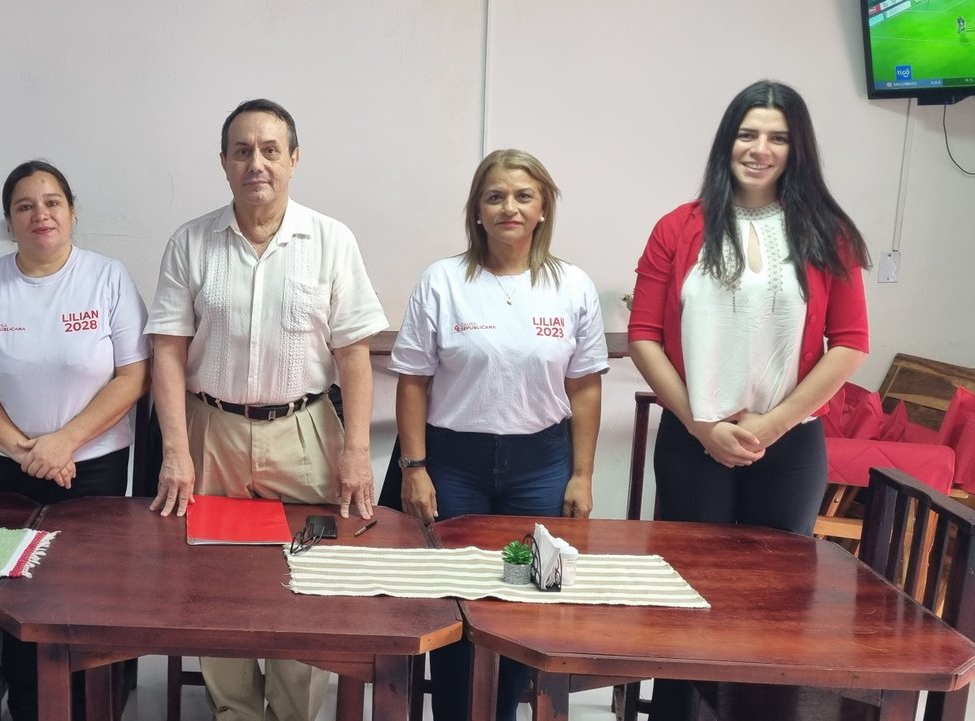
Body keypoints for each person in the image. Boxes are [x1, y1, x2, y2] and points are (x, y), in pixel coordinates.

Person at [628, 79, 870, 720]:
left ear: (797, 148)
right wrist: (701, 425)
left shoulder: (828, 233)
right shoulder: (678, 227)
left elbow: (850, 343)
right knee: (683, 596)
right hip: (693, 440)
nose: (760, 149)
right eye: (747, 133)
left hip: (789, 445)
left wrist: (774, 423)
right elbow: (643, 336)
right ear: (726, 141)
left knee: (778, 608)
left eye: (777, 137)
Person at [146, 98, 386, 721]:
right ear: (224, 162)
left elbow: (354, 355)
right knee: (214, 580)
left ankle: (293, 713)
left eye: (271, 150)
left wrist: (357, 451)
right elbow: (168, 352)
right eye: (243, 151)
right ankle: (234, 713)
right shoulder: (190, 242)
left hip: (306, 430)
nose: (257, 163)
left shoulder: (331, 240)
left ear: (294, 160)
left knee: (309, 579)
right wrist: (175, 451)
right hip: (212, 429)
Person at [389, 148, 607, 721]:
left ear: (543, 209)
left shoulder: (572, 285)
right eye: (495, 196)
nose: (510, 207)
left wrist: (582, 475)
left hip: (541, 466)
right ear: (477, 211)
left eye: (523, 196)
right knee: (455, 604)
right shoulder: (443, 281)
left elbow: (585, 387)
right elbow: (412, 382)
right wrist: (415, 468)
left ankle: (505, 711)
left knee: (525, 605)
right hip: (453, 465)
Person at [0, 159, 150, 721]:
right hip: (9, 468)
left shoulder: (108, 277)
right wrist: (26, 449)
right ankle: (28, 703)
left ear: (72, 212)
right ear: (9, 220)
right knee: (14, 591)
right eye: (25, 206)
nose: (41, 214)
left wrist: (63, 442)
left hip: (95, 466)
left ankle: (91, 703)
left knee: (89, 592)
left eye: (53, 201)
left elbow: (133, 375)